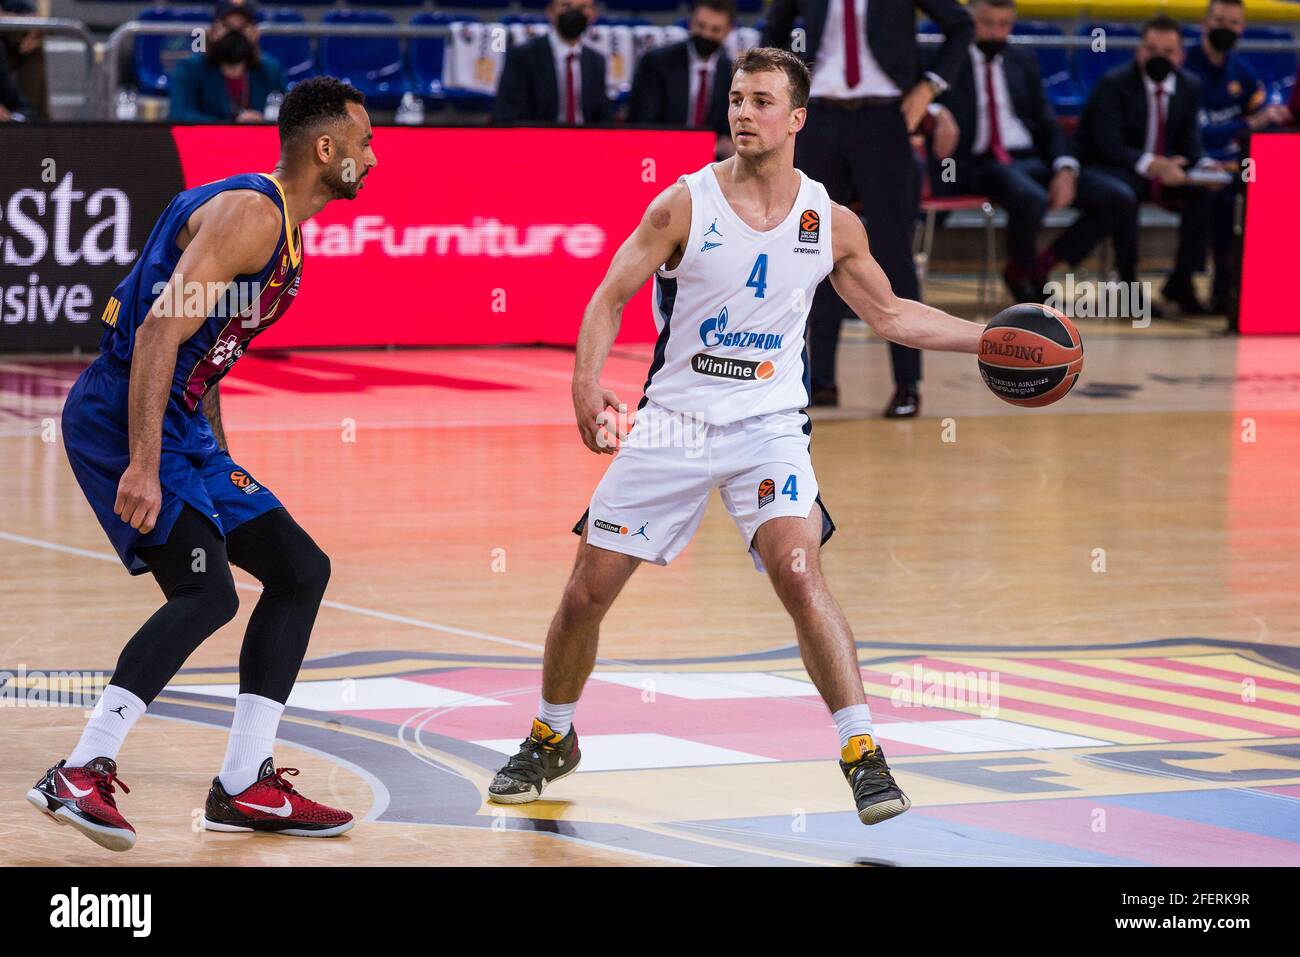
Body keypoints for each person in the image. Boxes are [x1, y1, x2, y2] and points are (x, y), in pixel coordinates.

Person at [485, 48, 985, 826]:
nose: (743, 113)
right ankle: (552, 733)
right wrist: (585, 382)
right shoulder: (682, 205)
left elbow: (891, 315)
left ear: (797, 120)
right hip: (675, 425)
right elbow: (609, 294)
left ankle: (863, 754)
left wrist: (984, 338)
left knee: (798, 571)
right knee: (585, 593)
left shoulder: (830, 221)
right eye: (736, 99)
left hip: (768, 428)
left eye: (760, 101)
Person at [28, 77, 377, 852]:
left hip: (183, 425)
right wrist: (146, 466)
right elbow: (158, 333)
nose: (372, 158)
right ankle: (81, 768)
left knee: (298, 567)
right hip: (123, 419)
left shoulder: (278, 226)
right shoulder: (254, 215)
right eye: (365, 142)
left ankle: (245, 782)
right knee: (206, 590)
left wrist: (216, 457)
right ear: (327, 150)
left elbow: (203, 354)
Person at [762, 0, 973, 417]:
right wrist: (787, 88)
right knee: (811, 245)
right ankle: (819, 378)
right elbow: (774, 28)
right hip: (818, 117)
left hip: (885, 117)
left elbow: (961, 25)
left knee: (894, 251)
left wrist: (928, 87)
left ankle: (906, 383)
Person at [928, 0, 1135, 303]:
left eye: (1003, 25)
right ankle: (1023, 276)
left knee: (1118, 198)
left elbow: (1047, 122)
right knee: (1029, 197)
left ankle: (1042, 265)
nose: (996, 33)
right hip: (971, 164)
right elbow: (912, 97)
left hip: (1026, 159)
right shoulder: (943, 58)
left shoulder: (1021, 59)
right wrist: (935, 111)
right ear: (968, 21)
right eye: (987, 23)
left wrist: (1066, 168)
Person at [1074, 15, 1217, 315]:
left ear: (1180, 56)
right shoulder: (1114, 83)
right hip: (1118, 168)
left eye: (1167, 52)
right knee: (1126, 194)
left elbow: (1191, 141)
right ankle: (1128, 285)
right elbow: (1108, 146)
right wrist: (1154, 165)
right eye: (1151, 50)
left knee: (1205, 193)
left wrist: (1203, 166)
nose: (1158, 58)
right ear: (1139, 51)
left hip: (1164, 173)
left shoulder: (1189, 86)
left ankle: (1182, 281)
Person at [1183, 0, 1288, 312]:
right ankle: (1183, 282)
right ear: (1205, 23)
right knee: (1211, 195)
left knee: (1250, 193)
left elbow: (1260, 118)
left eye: (1233, 23)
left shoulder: (1242, 71)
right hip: (1192, 161)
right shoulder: (1185, 68)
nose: (1225, 29)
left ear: (1242, 28)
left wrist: (1267, 117)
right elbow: (1193, 133)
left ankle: (1231, 289)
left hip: (1233, 167)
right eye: (1219, 20)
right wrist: (1243, 125)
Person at [627, 0, 735, 151]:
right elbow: (643, 122)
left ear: (728, 31)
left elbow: (726, 129)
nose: (706, 34)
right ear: (691, 23)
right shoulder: (657, 62)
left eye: (715, 30)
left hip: (711, 160)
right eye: (701, 26)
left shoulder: (730, 73)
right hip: (662, 151)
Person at [492, 0, 610, 125]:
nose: (574, 13)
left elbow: (602, 116)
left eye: (582, 7)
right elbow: (508, 115)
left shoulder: (596, 61)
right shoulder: (522, 57)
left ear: (594, 14)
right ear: (550, 12)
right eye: (566, 6)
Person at [169, 0, 285, 124]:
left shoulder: (271, 70)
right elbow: (179, 114)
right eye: (227, 27)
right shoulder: (189, 69)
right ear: (213, 31)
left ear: (255, 33)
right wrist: (231, 124)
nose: (235, 34)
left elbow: (284, 116)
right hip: (207, 141)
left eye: (243, 27)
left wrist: (261, 123)